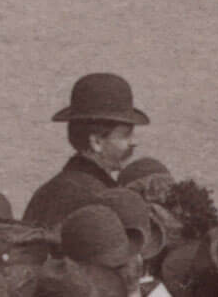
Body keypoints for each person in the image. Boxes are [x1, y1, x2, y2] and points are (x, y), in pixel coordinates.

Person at [23, 74, 149, 227]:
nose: (134, 142)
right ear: (96, 142)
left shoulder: (50, 189)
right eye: (126, 135)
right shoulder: (100, 198)